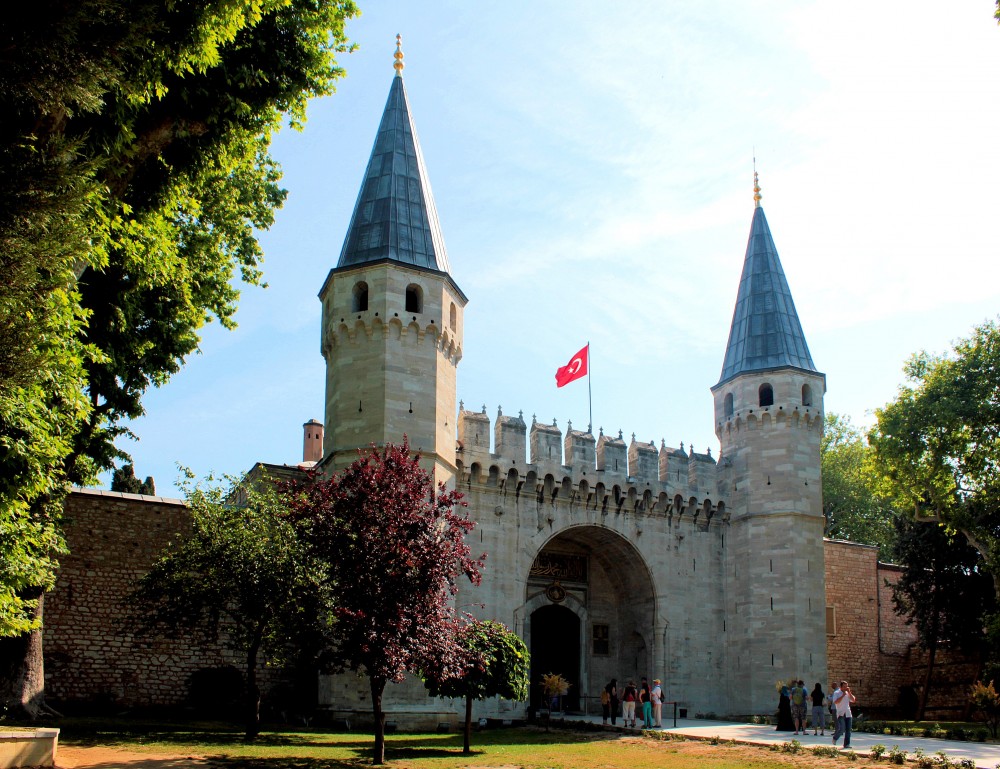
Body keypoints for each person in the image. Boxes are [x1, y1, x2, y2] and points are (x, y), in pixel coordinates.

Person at [832, 680, 857, 749]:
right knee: (842, 728)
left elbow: (853, 700)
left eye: (847, 686)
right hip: (841, 713)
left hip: (848, 713)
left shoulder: (848, 693)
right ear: (841, 687)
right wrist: (842, 695)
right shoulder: (837, 693)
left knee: (848, 730)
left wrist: (849, 692)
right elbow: (836, 702)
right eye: (844, 686)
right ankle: (835, 738)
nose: (846, 688)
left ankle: (847, 744)